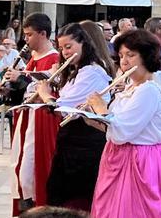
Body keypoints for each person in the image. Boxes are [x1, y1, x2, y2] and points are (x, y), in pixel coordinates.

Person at [86, 29, 161, 217]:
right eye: (121, 55)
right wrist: (90, 115)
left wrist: (101, 108)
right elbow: (111, 128)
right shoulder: (130, 88)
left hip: (143, 160)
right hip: (121, 155)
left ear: (146, 56)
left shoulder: (148, 90)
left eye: (131, 55)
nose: (124, 61)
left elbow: (121, 132)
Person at [33, 23, 114, 210]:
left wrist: (46, 94)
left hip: (86, 143)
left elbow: (64, 106)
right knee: (59, 194)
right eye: (62, 48)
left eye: (69, 47)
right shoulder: (75, 71)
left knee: (77, 199)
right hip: (71, 141)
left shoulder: (92, 72)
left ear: (84, 44)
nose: (65, 53)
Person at [7, 13, 61, 214]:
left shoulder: (54, 58)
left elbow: (48, 89)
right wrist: (9, 87)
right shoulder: (32, 58)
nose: (26, 39)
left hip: (41, 118)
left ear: (43, 34)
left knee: (33, 165)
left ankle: (37, 208)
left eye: (29, 35)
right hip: (26, 116)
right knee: (20, 164)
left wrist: (21, 80)